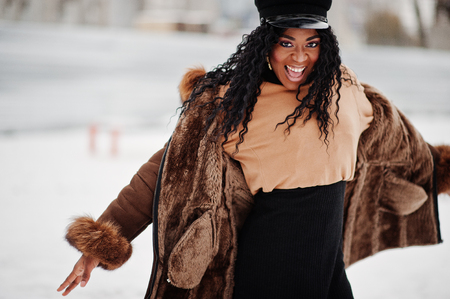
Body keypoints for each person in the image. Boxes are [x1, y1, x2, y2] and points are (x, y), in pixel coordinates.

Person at [57, 0, 450, 298]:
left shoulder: (347, 93)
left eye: (312, 43)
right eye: (287, 43)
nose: (300, 57)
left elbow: (402, 142)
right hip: (265, 274)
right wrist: (102, 240)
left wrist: (441, 167)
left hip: (329, 274)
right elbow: (163, 171)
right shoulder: (235, 106)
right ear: (266, 43)